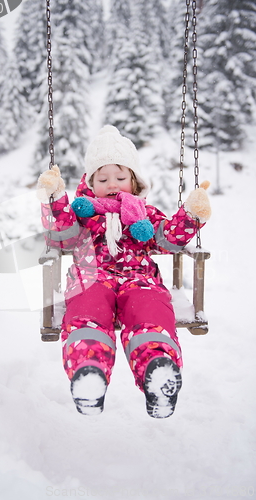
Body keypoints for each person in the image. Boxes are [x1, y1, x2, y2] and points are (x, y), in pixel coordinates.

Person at [37, 125, 211, 418]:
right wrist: (54, 199)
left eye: (120, 177)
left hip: (139, 279)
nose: (113, 184)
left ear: (134, 180)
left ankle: (158, 370)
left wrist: (190, 216)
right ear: (91, 183)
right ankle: (88, 370)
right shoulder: (83, 213)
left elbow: (167, 239)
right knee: (87, 309)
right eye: (103, 178)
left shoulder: (144, 213)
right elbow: (61, 236)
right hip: (92, 277)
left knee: (151, 310)